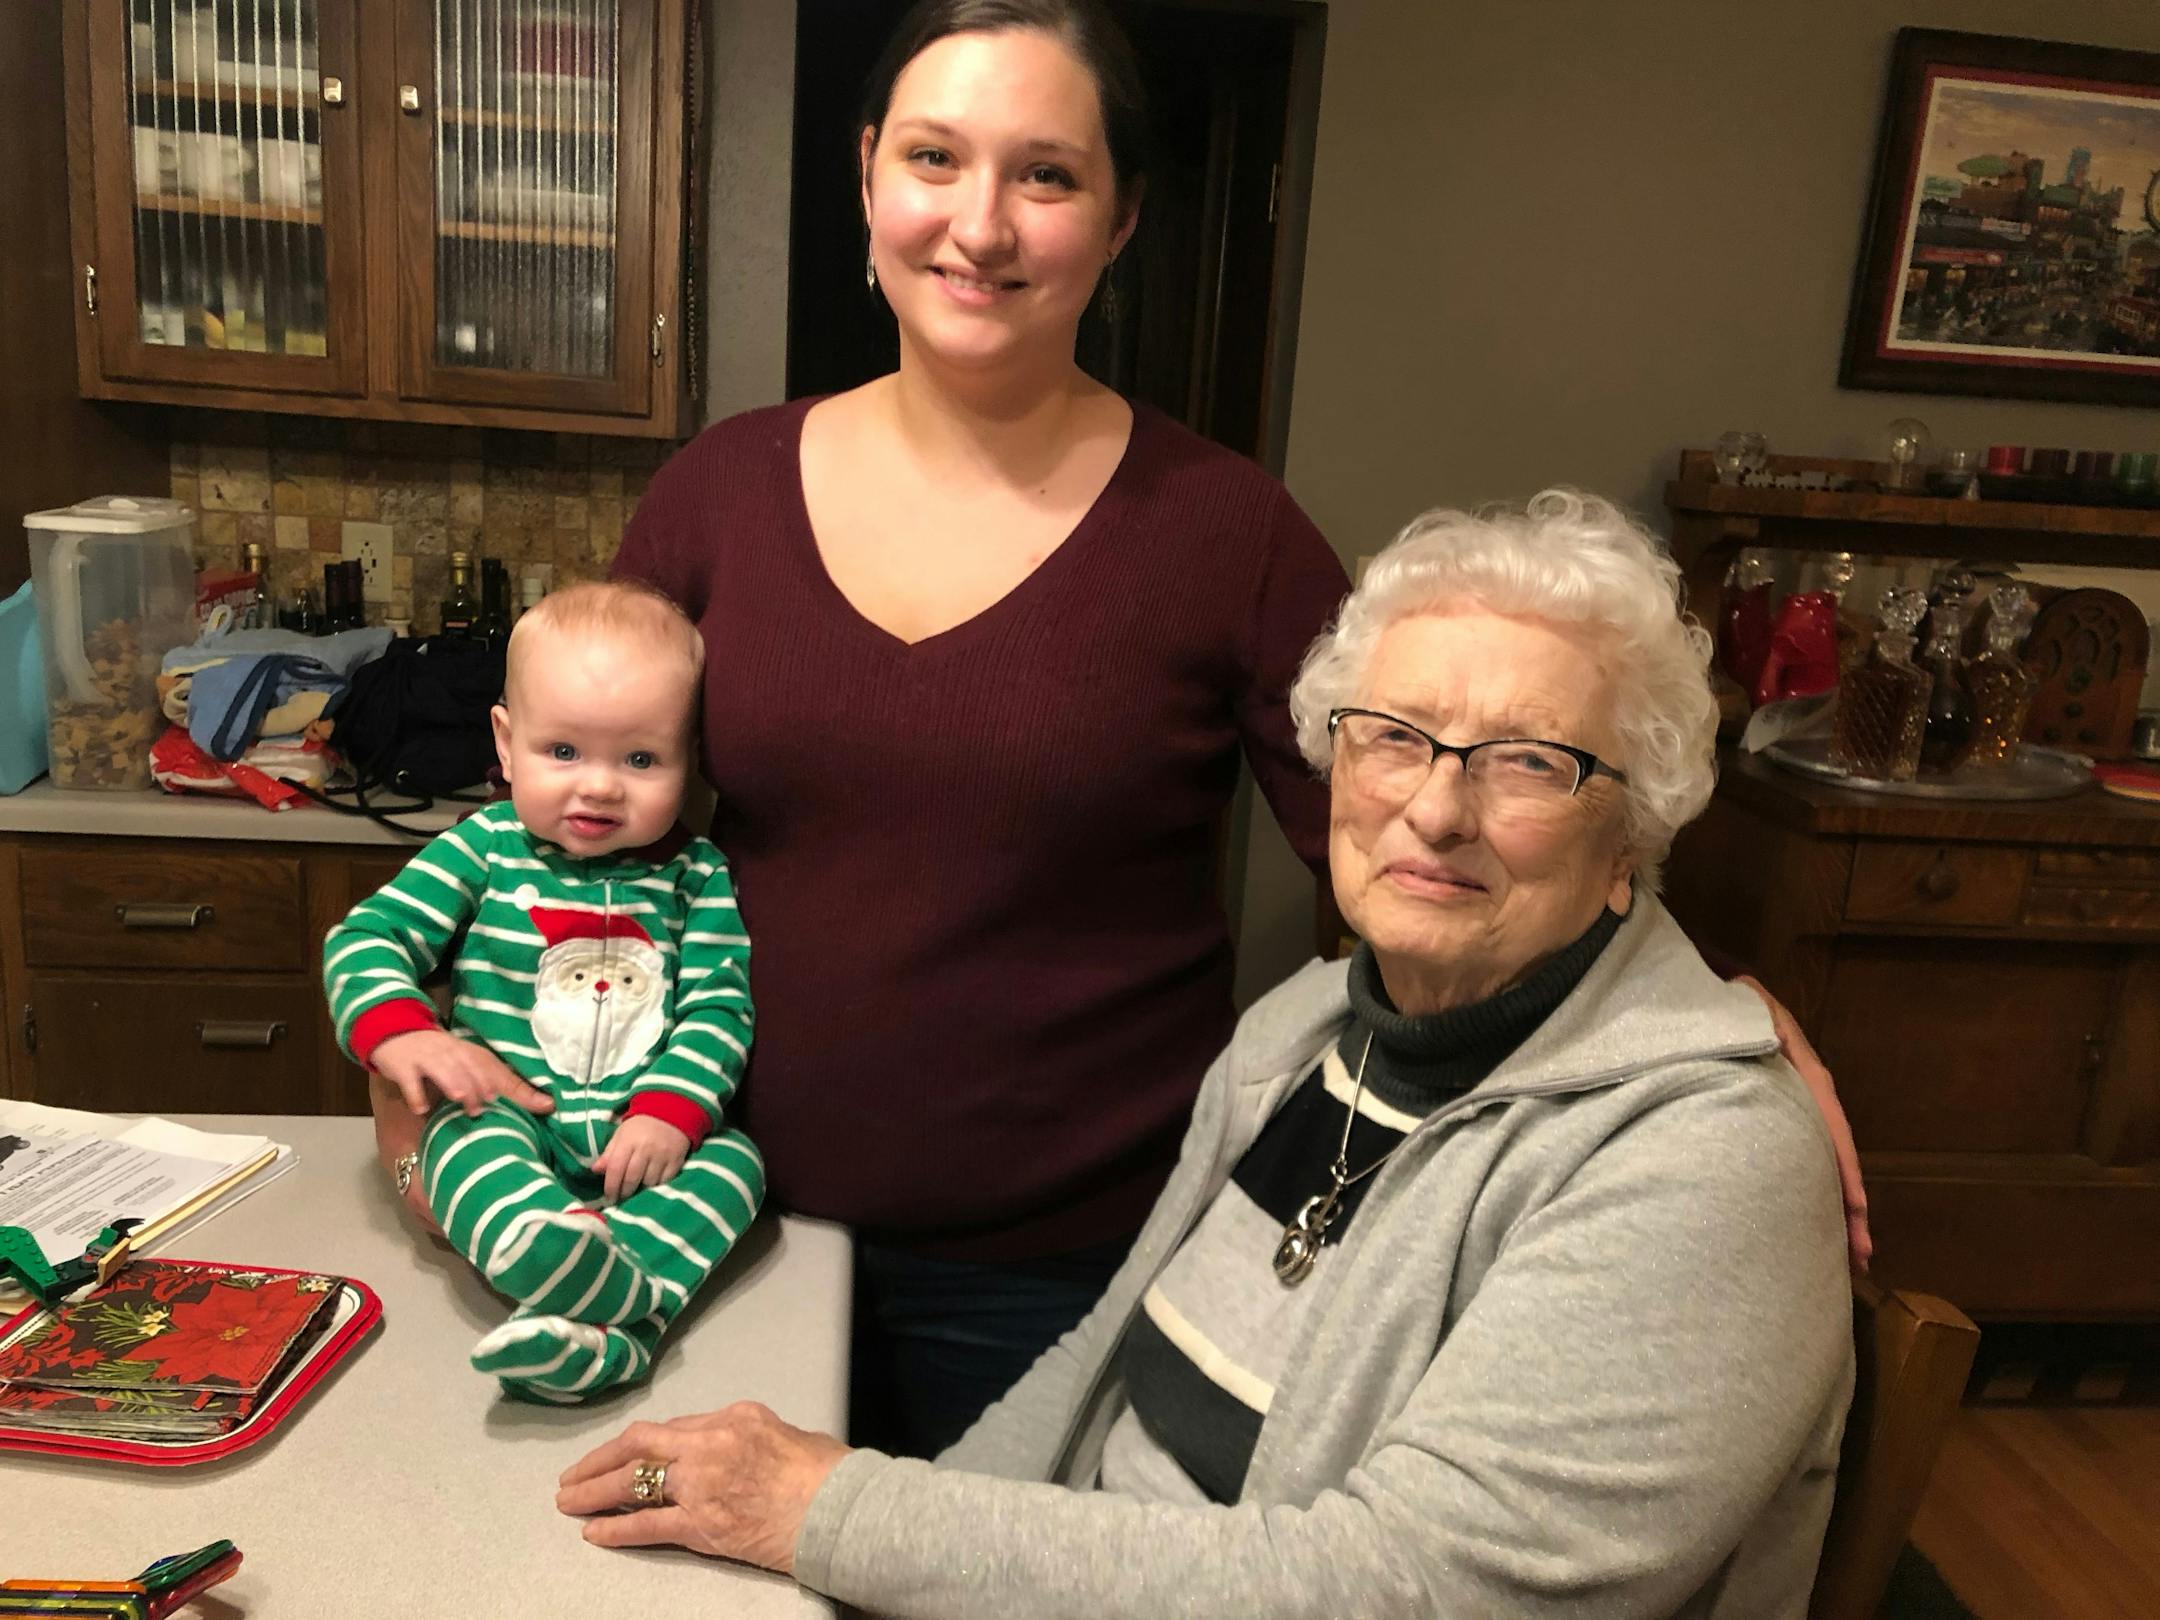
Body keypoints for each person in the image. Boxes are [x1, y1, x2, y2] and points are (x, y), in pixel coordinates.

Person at [366, 0, 1868, 1453]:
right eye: (936, 158)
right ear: (867, 172)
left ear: (1124, 218)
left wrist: (1689, 1006)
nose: (983, 223)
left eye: (1049, 175)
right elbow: (567, 831)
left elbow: (1432, 844)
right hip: (699, 1206)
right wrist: (416, 1038)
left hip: (1058, 1269)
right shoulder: (716, 495)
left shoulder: (1230, 535)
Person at [556, 491, 1858, 1619]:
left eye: (1528, 761)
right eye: (1393, 735)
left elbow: (1410, 1590)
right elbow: (1097, 1376)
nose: (1437, 806)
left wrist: (834, 1512)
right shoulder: (1311, 1027)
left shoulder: (1708, 1164)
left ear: (1632, 835)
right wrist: (870, 1545)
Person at [324, 582, 762, 1401]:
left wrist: (672, 1112)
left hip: (644, 1145)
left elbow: (718, 1008)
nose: (598, 787)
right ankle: (575, 1267)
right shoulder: (483, 847)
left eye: (640, 759)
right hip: (507, 1118)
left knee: (738, 1162)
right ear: (506, 738)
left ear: (688, 758)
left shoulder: (695, 876)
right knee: (461, 1145)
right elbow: (367, 938)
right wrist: (405, 1034)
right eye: (563, 752)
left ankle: (606, 1320)